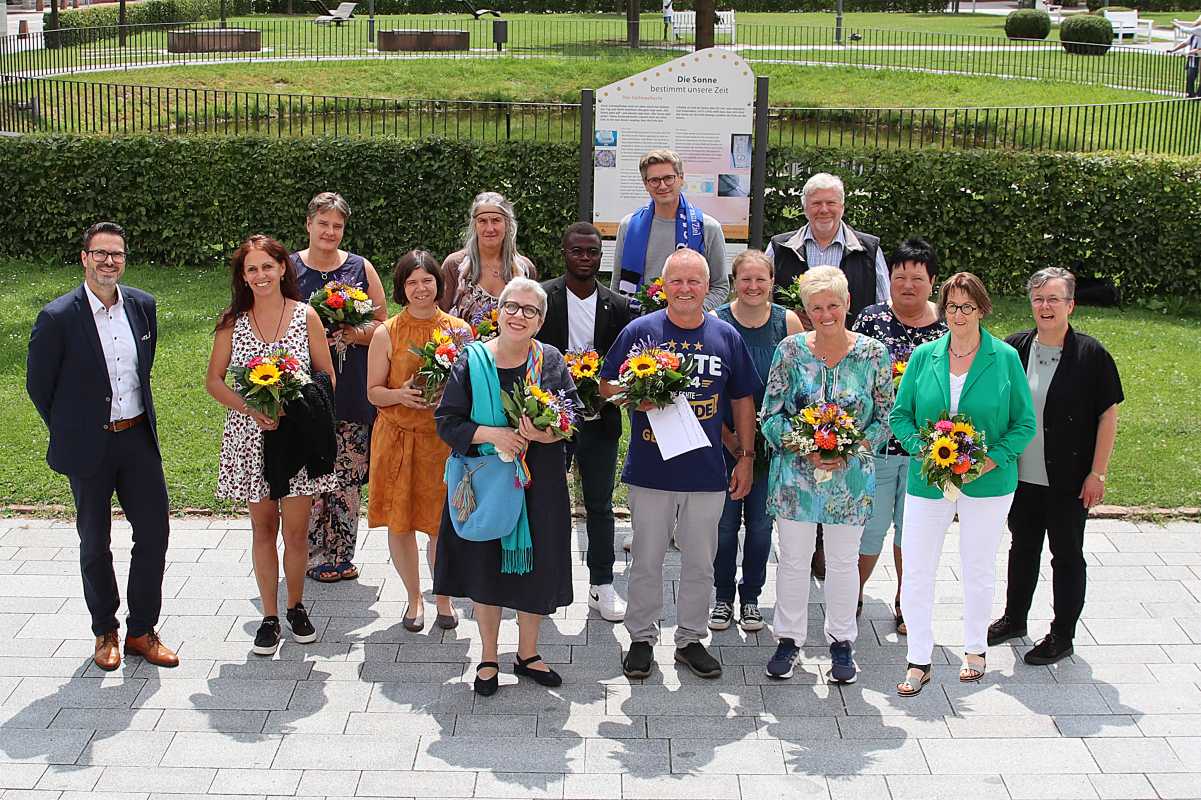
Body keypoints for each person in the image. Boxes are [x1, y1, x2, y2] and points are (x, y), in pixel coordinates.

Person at [598, 248, 760, 681]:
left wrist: (745, 457)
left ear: (708, 287)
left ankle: (690, 639)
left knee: (700, 562)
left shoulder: (725, 336)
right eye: (677, 281)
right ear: (663, 286)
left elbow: (742, 400)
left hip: (706, 472)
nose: (685, 289)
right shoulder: (641, 331)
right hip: (651, 470)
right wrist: (634, 396)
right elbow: (605, 384)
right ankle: (641, 638)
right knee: (646, 559)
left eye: (694, 281)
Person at [26, 221, 179, 672]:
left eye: (117, 254)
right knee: (95, 541)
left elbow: (142, 370)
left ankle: (141, 630)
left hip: (137, 438)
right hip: (89, 444)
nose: (109, 261)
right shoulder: (57, 317)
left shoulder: (143, 307)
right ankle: (105, 630)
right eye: (101, 253)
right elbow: (39, 386)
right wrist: (73, 427)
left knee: (154, 533)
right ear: (85, 258)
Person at [890, 273, 1035, 696]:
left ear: (982, 309)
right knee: (917, 569)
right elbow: (900, 415)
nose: (958, 314)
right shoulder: (924, 356)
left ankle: (975, 649)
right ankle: (918, 658)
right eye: (952, 306)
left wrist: (988, 461)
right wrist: (923, 450)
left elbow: (1024, 423)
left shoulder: (1005, 357)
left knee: (977, 566)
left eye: (967, 306)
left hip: (988, 483)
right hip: (928, 481)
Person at [432, 278, 576, 696]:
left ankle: (528, 654)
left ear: (540, 321)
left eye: (530, 310)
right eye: (512, 306)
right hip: (487, 483)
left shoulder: (550, 361)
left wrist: (548, 433)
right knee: (486, 568)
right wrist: (493, 434)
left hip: (539, 484)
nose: (518, 315)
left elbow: (573, 417)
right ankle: (489, 655)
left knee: (535, 567)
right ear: (499, 311)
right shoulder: (472, 360)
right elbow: (447, 422)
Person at [758, 266, 892, 683]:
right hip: (796, 479)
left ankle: (842, 641)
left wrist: (852, 448)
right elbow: (770, 415)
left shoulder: (873, 354)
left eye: (833, 305)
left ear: (848, 302)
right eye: (816, 308)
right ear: (806, 310)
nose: (826, 314)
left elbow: (885, 417)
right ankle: (788, 639)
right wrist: (805, 446)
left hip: (849, 479)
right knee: (793, 561)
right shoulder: (790, 351)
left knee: (843, 562)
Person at [207, 234, 338, 657]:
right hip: (250, 437)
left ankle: (296, 606)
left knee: (296, 532)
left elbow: (326, 376)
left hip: (296, 439)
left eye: (267, 266)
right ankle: (269, 616)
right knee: (263, 528)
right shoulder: (232, 321)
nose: (261, 275)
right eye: (252, 269)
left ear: (283, 268)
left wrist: (296, 404)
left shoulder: (305, 315)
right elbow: (213, 381)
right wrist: (251, 407)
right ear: (243, 277)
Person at [988, 268, 1123, 666]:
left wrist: (1097, 473)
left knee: (1066, 555)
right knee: (1022, 548)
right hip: (1020, 477)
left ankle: (1062, 635)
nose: (1045, 306)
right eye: (1038, 299)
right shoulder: (1014, 349)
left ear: (1070, 305)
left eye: (1054, 299)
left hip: (1069, 479)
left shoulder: (1091, 355)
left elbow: (1108, 416)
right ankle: (1014, 619)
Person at [367, 251, 474, 632]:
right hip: (396, 441)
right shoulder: (387, 332)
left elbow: (472, 388)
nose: (420, 288)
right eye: (411, 282)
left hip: (441, 444)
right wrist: (400, 395)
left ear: (438, 283)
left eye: (427, 280)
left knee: (440, 525)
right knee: (400, 525)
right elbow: (373, 392)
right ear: (402, 288)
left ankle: (442, 596)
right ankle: (414, 597)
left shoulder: (460, 331)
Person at [850, 238, 947, 636]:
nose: (907, 285)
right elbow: (852, 371)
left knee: (915, 531)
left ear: (932, 282)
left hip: (929, 450)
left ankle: (907, 601)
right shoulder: (870, 320)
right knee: (870, 526)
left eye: (917, 278)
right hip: (877, 446)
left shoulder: (948, 325)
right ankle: (851, 594)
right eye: (900, 277)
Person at [537, 222, 633, 623]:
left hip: (600, 418)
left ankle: (602, 584)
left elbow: (626, 364)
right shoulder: (543, 298)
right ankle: (542, 580)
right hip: (551, 419)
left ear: (600, 256)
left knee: (599, 504)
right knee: (545, 502)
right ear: (564, 252)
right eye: (577, 250)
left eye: (592, 252)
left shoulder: (618, 306)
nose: (585, 258)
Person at [291, 192, 388, 584]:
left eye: (337, 225)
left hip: (350, 386)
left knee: (347, 474)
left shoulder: (360, 268)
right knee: (310, 470)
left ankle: (342, 554)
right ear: (309, 224)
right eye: (323, 223)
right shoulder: (289, 269)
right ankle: (311, 553)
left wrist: (352, 333)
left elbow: (382, 325)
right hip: (305, 386)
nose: (330, 232)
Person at [708, 250, 804, 634]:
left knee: (762, 526)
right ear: (734, 282)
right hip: (723, 440)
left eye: (760, 279)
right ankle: (721, 597)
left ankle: (751, 597)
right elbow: (708, 392)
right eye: (745, 279)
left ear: (772, 282)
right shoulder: (717, 322)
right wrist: (731, 440)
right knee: (724, 525)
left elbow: (801, 384)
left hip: (772, 444)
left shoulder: (788, 322)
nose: (753, 286)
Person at [611, 149, 729, 312]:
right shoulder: (629, 226)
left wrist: (688, 312)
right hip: (638, 320)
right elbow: (617, 286)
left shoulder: (708, 228)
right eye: (654, 180)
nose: (662, 186)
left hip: (689, 321)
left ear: (681, 178)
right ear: (645, 184)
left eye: (668, 178)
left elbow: (720, 287)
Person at [765, 172, 889, 324]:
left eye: (831, 203)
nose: (824, 210)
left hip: (852, 337)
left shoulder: (869, 250)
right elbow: (763, 302)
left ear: (842, 207)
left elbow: (884, 307)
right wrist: (789, 318)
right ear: (805, 208)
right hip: (794, 337)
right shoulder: (779, 248)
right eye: (816, 203)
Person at [439, 191, 539, 323]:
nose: (490, 228)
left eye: (496, 220)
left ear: (507, 223)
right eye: (482, 221)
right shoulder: (454, 265)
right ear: (474, 225)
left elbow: (532, 320)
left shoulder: (525, 269)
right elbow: (438, 317)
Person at [1169, 18, 1201, 98]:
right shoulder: (1194, 34)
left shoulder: (1199, 30)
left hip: (1198, 56)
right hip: (1193, 58)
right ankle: (1191, 94)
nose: (1195, 23)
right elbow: (1185, 43)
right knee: (1190, 75)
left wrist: (1177, 25)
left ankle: (1199, 95)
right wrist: (1173, 50)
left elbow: (1186, 30)